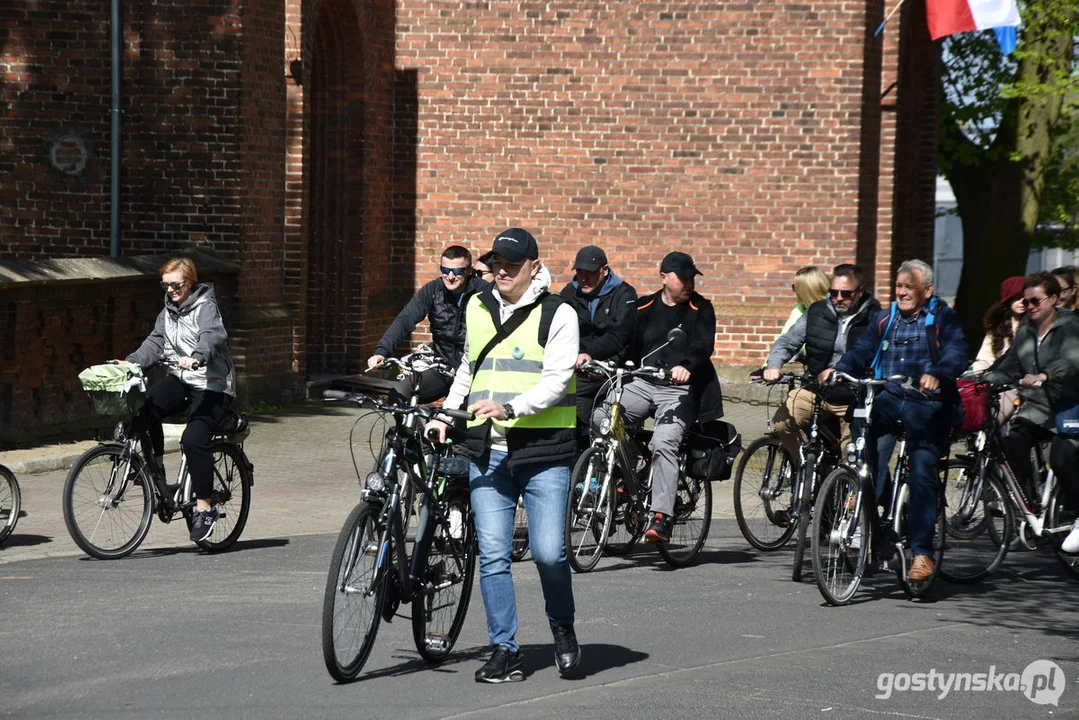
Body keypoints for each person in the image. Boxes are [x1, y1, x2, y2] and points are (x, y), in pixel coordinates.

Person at [425, 227, 581, 683]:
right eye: (497, 263)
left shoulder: (560, 313)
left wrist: (511, 408)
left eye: (513, 264)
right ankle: (505, 648)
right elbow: (469, 367)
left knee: (550, 554)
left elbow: (556, 380)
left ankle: (562, 627)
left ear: (534, 265)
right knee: (492, 554)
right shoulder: (477, 305)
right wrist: (448, 414)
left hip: (542, 450)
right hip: (486, 451)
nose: (502, 271)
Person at [834, 259, 968, 583]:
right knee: (862, 419)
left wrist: (937, 373)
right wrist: (840, 369)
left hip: (929, 403)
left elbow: (957, 352)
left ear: (928, 290)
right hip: (892, 396)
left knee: (922, 471)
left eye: (909, 286)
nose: (902, 292)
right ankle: (865, 490)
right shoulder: (886, 318)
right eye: (898, 286)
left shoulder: (943, 318)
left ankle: (922, 552)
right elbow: (863, 349)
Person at [597, 251, 723, 544]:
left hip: (679, 390)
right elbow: (622, 341)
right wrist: (593, 356)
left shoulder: (700, 308)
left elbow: (703, 346)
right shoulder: (644, 306)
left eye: (692, 277)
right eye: (683, 277)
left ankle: (662, 517)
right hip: (643, 383)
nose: (690, 283)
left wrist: (686, 366)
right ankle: (636, 467)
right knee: (602, 418)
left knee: (664, 441)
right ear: (664, 277)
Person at [123, 257, 236, 543]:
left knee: (193, 439)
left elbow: (212, 337)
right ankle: (157, 469)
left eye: (175, 285)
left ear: (190, 283)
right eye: (165, 285)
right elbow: (155, 342)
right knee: (143, 406)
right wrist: (130, 363)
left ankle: (204, 507)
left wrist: (198, 357)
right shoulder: (168, 311)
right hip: (183, 379)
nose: (170, 290)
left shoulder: (206, 308)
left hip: (212, 385)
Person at [762, 264, 881, 503]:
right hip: (818, 390)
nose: (838, 298)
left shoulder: (876, 317)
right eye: (833, 292)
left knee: (852, 454)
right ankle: (804, 469)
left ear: (860, 291)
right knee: (783, 422)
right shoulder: (817, 312)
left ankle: (851, 513)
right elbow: (788, 341)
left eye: (845, 294)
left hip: (853, 395)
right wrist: (774, 365)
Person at [983, 272, 1079, 551]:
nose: (1030, 306)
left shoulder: (1070, 326)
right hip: (1039, 407)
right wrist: (981, 381)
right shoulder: (1026, 331)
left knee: (1062, 457)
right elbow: (1009, 366)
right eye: (1026, 302)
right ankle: (1029, 506)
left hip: (1071, 406)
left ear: (1052, 299)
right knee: (1015, 439)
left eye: (1036, 300)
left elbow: (1073, 360)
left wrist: (1045, 376)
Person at [367, 245, 487, 405]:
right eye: (445, 270)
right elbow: (406, 318)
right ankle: (409, 430)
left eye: (458, 271)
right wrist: (382, 351)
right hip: (442, 367)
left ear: (469, 271)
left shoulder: (485, 292)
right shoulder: (433, 290)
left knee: (460, 419)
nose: (450, 276)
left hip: (472, 372)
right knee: (399, 395)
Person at [559, 244, 637, 449]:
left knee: (616, 426)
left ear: (604, 271)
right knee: (573, 417)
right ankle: (584, 468)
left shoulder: (624, 294)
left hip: (614, 367)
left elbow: (621, 335)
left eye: (590, 273)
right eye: (580, 272)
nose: (584, 278)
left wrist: (591, 355)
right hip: (581, 368)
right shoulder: (569, 293)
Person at [970, 276, 1026, 373]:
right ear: (1008, 300)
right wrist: (974, 372)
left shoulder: (1035, 325)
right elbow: (985, 359)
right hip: (998, 379)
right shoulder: (997, 326)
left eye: (1025, 298)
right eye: (1017, 298)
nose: (1022, 302)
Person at [780, 266, 831, 336]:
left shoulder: (835, 312)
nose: (794, 291)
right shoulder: (800, 309)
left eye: (795, 287)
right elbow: (783, 341)